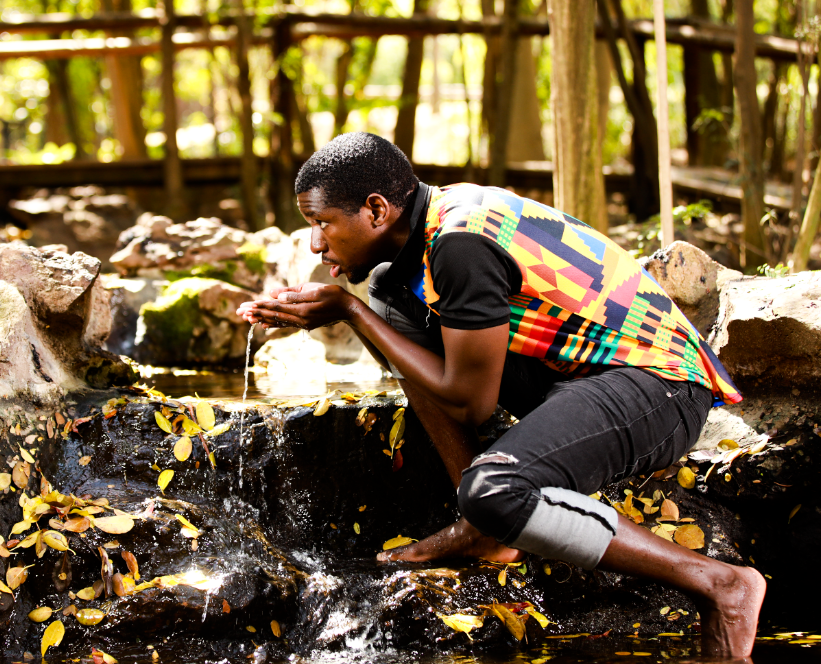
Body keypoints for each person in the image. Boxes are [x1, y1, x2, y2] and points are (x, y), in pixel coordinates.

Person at [237, 132, 765, 659]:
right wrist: (364, 310)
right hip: (576, 377)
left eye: (322, 223)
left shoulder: (460, 241)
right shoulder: (421, 242)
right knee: (391, 301)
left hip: (660, 386)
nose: (315, 244)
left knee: (497, 486)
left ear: (376, 210)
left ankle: (721, 583)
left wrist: (349, 313)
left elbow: (471, 404)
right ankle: (486, 530)